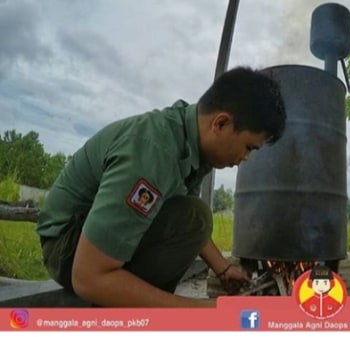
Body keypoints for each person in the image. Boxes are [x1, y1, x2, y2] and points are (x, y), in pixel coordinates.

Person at [36, 66, 287, 307]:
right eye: (249, 147)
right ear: (220, 124)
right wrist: (207, 312)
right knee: (194, 216)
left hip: (89, 239)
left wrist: (222, 268)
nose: (246, 159)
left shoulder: (191, 143)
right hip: (67, 246)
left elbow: (186, 223)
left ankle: (137, 306)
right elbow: (87, 278)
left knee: (194, 217)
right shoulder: (154, 152)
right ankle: (128, 314)